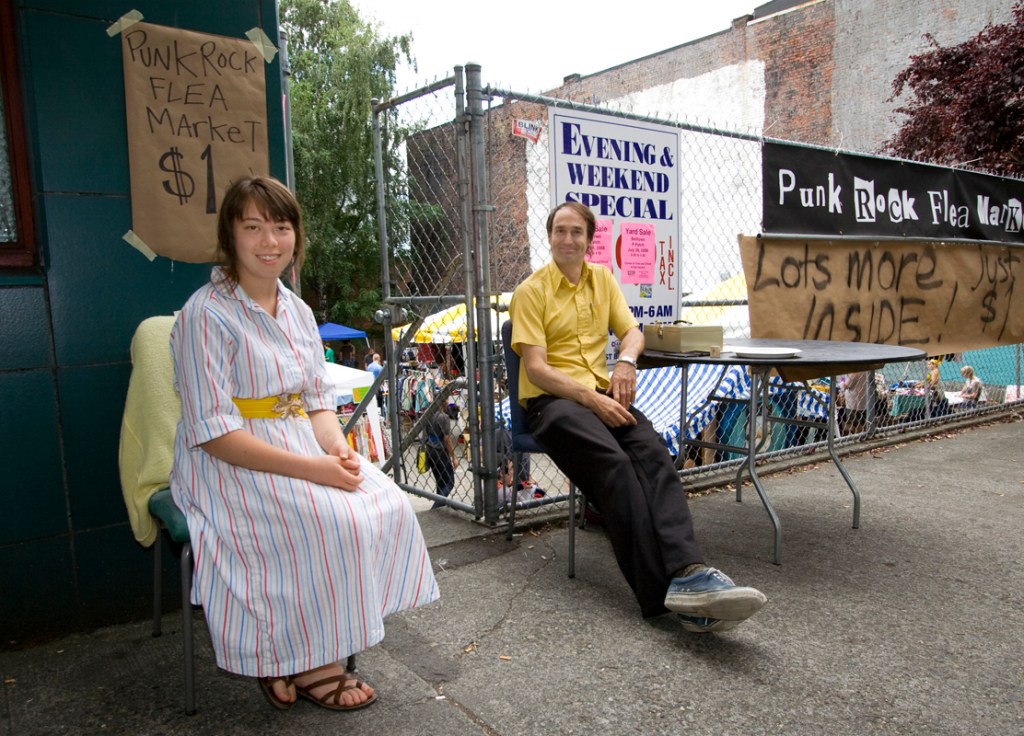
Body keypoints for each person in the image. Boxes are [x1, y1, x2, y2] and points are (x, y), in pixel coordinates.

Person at [169, 176, 438, 712]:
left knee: (383, 503)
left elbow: (315, 402)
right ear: (230, 235)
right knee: (328, 521)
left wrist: (336, 448)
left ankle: (310, 642)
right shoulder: (205, 314)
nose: (269, 241)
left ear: (296, 236)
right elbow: (215, 433)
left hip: (295, 440)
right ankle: (306, 659)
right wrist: (315, 472)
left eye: (281, 227)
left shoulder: (295, 309)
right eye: (253, 227)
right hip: (228, 458)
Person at [507, 201, 766, 633]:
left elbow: (632, 332)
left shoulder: (603, 279)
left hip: (601, 394)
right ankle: (667, 598)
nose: (567, 239)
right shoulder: (530, 291)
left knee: (655, 456)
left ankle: (690, 571)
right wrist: (592, 399)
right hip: (552, 404)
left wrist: (626, 362)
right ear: (550, 237)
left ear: (590, 240)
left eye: (576, 232)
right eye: (559, 231)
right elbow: (536, 369)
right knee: (617, 468)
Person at [423, 404, 458, 508]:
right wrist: (453, 456)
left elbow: (424, 434)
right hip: (440, 451)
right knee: (450, 482)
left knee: (440, 481)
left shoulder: (428, 414)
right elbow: (447, 439)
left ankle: (440, 506)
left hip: (430, 448)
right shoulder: (444, 417)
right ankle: (436, 507)